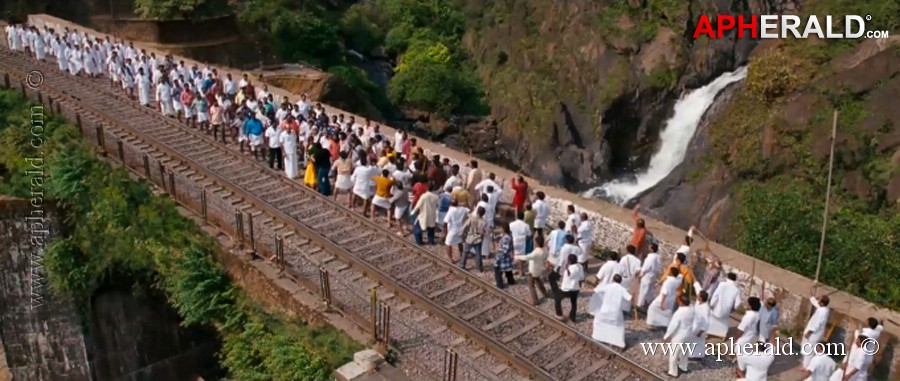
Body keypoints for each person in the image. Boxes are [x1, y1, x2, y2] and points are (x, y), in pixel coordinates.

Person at [588, 274, 632, 349]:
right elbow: (629, 298)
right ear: (620, 281)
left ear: (613, 279)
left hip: (604, 311)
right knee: (618, 327)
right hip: (615, 313)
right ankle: (618, 343)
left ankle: (598, 337)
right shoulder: (622, 289)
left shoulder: (607, 287)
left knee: (598, 323)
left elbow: (594, 291)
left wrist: (583, 290)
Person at [663, 294, 695, 378]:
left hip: (679, 336)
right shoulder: (692, 308)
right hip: (689, 334)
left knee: (674, 354)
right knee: (685, 352)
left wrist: (666, 336)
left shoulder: (679, 313)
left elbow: (673, 326)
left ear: (681, 302)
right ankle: (683, 367)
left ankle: (673, 372)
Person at [514, 235, 549, 305]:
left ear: (537, 243)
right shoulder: (545, 250)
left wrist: (516, 256)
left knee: (531, 285)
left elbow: (527, 257)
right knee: (538, 281)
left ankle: (535, 300)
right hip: (540, 269)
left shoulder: (536, 252)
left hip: (533, 270)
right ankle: (545, 293)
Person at [708, 272, 742, 338]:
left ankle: (709, 332)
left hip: (718, 306)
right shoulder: (736, 289)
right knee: (724, 322)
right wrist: (734, 308)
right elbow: (738, 302)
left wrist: (712, 304)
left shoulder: (722, 284)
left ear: (728, 277)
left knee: (713, 319)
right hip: (727, 308)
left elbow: (716, 295)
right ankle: (722, 335)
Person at [801, 294, 831, 367]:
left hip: (813, 334)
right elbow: (815, 302)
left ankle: (806, 367)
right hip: (816, 333)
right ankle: (806, 364)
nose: (818, 301)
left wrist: (809, 332)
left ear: (822, 303)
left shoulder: (822, 312)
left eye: (819, 300)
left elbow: (816, 324)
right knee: (810, 349)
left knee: (809, 350)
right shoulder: (824, 309)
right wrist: (813, 297)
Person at [555, 254, 584, 322]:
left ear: (569, 261)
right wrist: (579, 286)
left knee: (557, 299)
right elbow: (582, 278)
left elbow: (569, 275)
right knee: (574, 303)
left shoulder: (569, 268)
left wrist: (567, 268)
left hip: (566, 289)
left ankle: (559, 314)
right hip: (575, 289)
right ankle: (572, 318)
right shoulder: (580, 266)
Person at [460, 206, 488, 271]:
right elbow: (483, 232)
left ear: (477, 211)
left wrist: (462, 233)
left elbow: (465, 226)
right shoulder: (484, 222)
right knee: (478, 254)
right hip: (478, 239)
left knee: (465, 252)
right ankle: (479, 267)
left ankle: (462, 265)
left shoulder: (471, 218)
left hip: (470, 237)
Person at [637, 243, 662, 307]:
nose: (648, 248)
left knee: (643, 291)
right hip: (653, 276)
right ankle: (647, 303)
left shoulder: (650, 257)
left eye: (649, 247)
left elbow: (646, 267)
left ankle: (640, 305)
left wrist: (640, 275)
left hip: (647, 276)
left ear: (651, 249)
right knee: (649, 291)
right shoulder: (658, 257)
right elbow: (659, 268)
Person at [689, 291, 710, 360]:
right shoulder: (698, 303)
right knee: (692, 341)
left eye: (698, 295)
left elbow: (706, 320)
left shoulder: (705, 308)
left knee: (699, 342)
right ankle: (690, 354)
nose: (697, 296)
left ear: (701, 298)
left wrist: (701, 331)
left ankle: (698, 356)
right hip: (694, 324)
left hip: (700, 327)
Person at [509, 211, 532, 276]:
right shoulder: (526, 225)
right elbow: (530, 235)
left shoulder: (512, 224)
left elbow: (509, 233)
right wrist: (526, 240)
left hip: (514, 240)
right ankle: (521, 271)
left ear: (517, 216)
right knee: (521, 258)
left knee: (512, 256)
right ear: (523, 217)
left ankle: (511, 270)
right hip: (522, 242)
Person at [494, 224, 516, 289]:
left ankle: (499, 285)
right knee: (508, 270)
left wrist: (498, 252)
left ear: (503, 229)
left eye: (500, 228)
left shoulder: (506, 238)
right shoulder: (509, 234)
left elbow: (505, 250)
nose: (499, 229)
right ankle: (511, 281)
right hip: (508, 257)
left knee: (497, 270)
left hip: (503, 257)